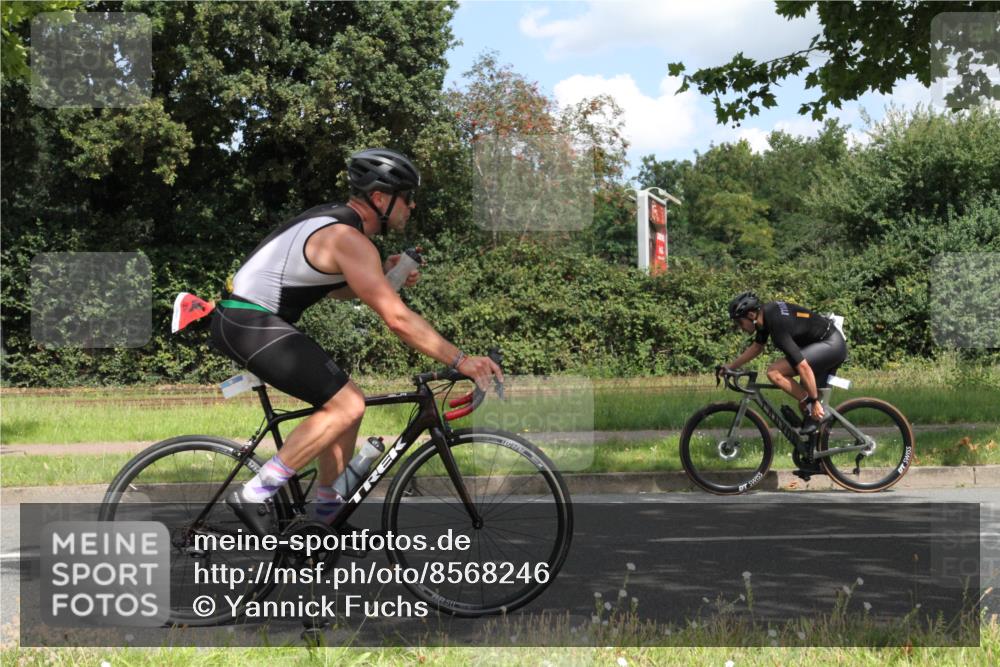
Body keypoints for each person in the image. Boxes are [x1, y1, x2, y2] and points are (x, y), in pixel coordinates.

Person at [209, 148, 503, 535]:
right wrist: (461, 360)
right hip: (247, 321)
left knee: (349, 403)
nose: (411, 207)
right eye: (407, 197)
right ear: (380, 198)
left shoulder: (341, 226)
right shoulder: (348, 237)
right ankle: (255, 493)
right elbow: (396, 318)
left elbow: (336, 290)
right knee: (347, 404)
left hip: (248, 320)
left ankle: (324, 515)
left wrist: (384, 273)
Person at [722, 291, 847, 435]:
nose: (740, 327)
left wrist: (812, 401)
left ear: (751, 315)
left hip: (831, 346)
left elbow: (803, 366)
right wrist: (730, 367)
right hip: (825, 344)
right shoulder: (766, 315)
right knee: (804, 406)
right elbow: (757, 347)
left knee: (774, 372)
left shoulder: (777, 324)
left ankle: (815, 412)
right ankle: (815, 453)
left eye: (739, 322)